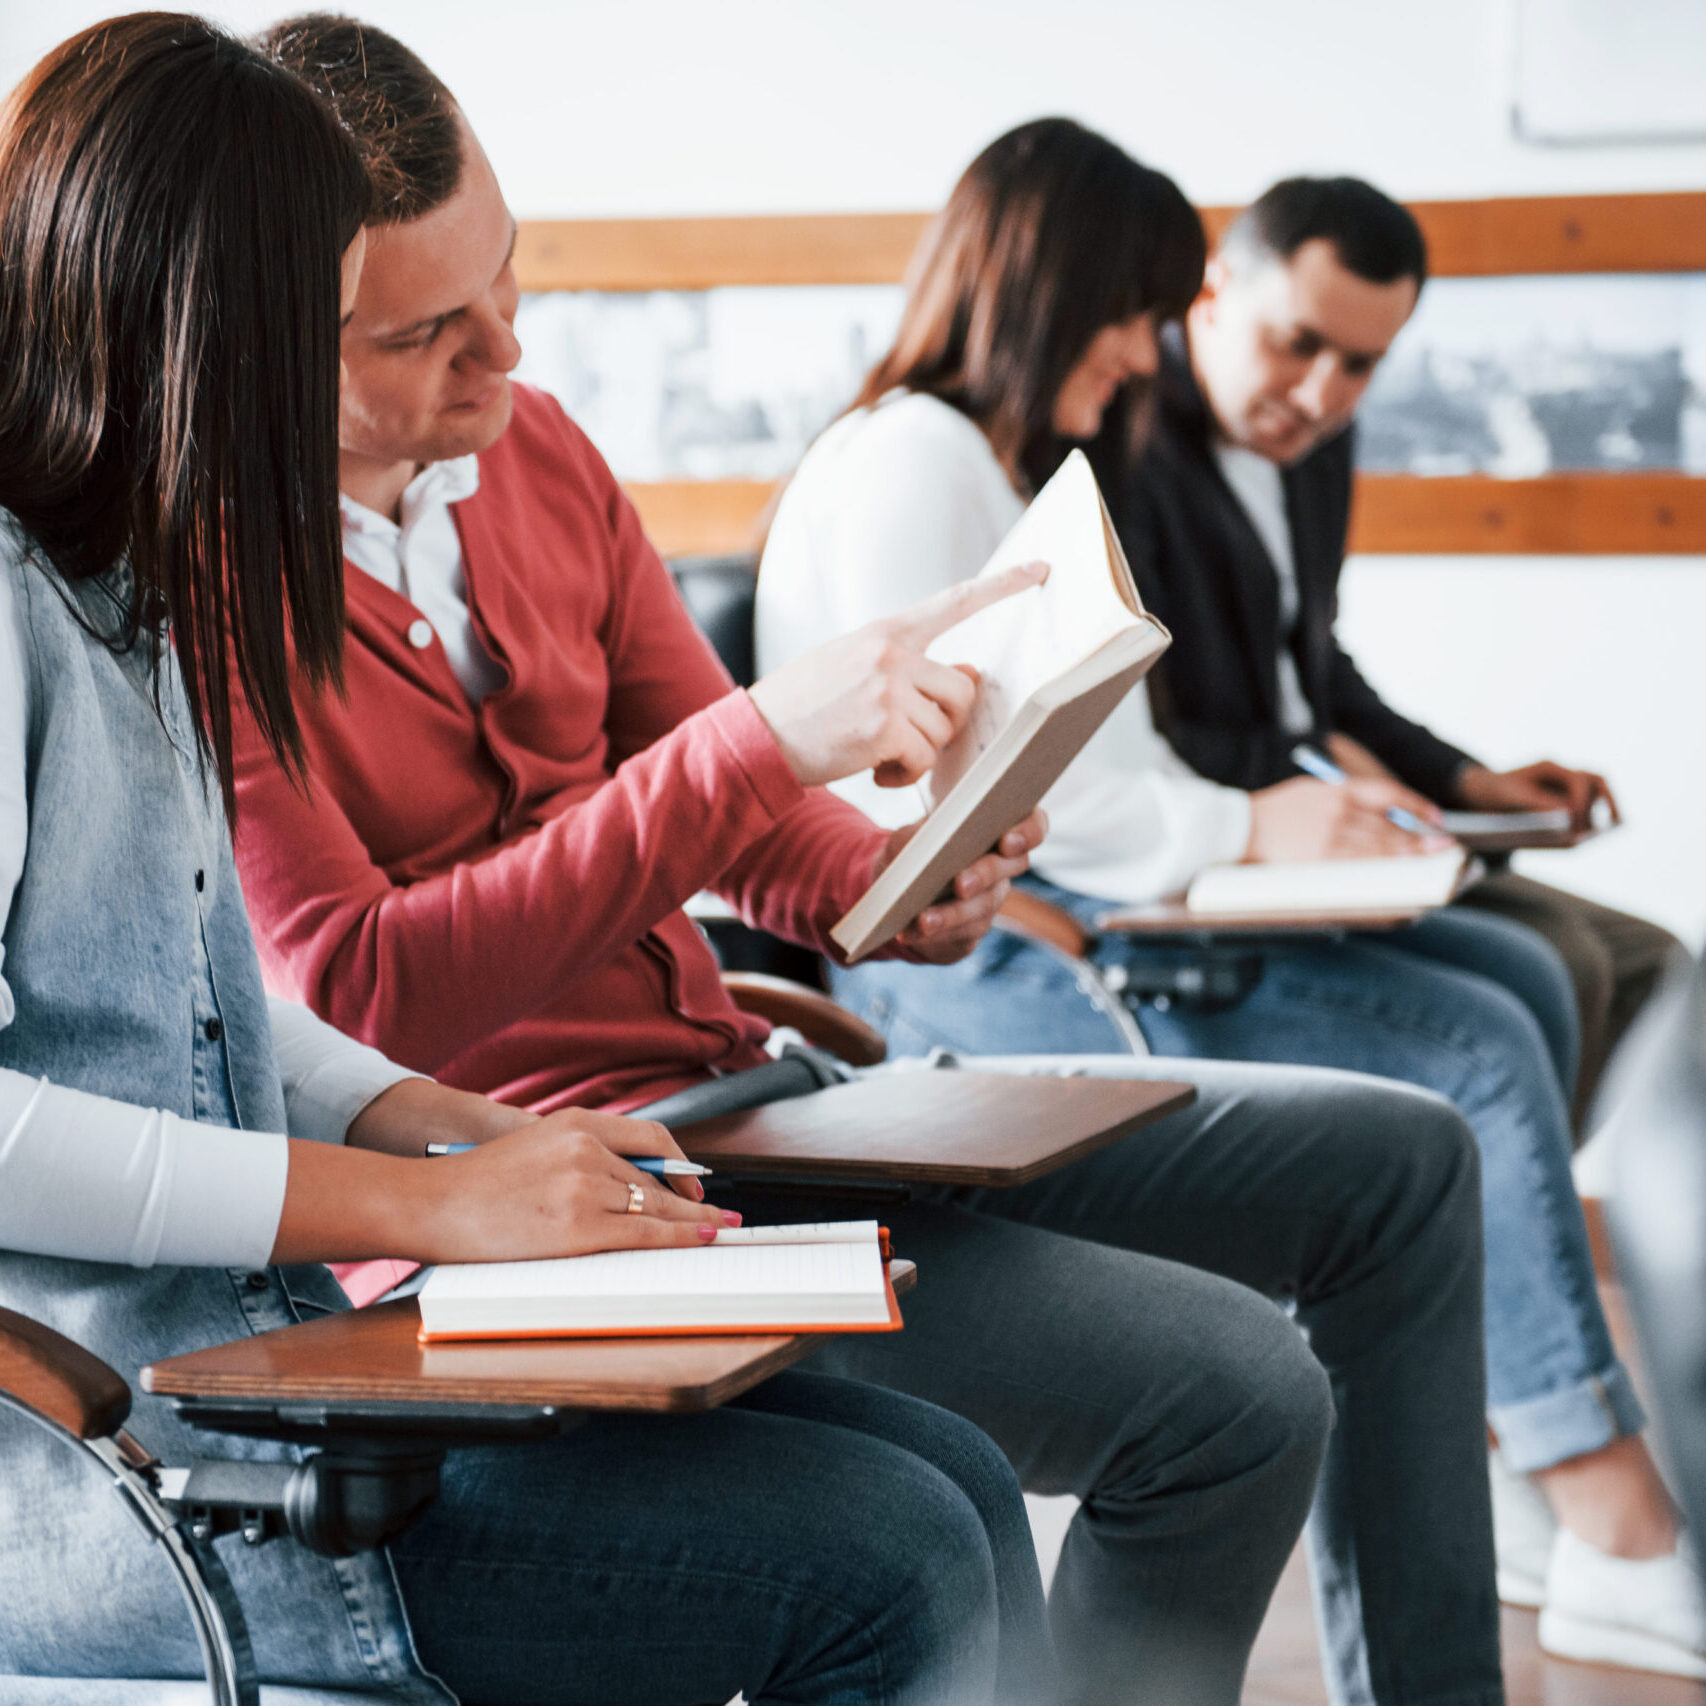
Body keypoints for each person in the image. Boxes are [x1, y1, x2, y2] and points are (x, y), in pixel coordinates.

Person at [233, 30, 1501, 1705]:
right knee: (1234, 1393)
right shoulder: (208, 563)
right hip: (542, 1186)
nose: (508, 353)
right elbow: (363, 985)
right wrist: (750, 753)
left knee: (1402, 1159)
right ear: (256, 338)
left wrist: (892, 880)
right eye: (426, 335)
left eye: (510, 279)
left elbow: (744, 811)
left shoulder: (535, 451)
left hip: (742, 1088)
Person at [0, 19, 1058, 1706]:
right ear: (194, 336)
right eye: (337, 340)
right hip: (115, 1450)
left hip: (253, 1365)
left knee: (961, 1489)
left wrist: (455, 1126)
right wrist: (426, 1204)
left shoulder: (113, 588)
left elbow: (204, 1009)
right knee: (897, 1555)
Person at [755, 120, 1704, 1679]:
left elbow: (1159, 737)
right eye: (1139, 309)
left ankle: (1521, 1442)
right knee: (1468, 1049)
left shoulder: (987, 459)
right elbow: (950, 815)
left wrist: (1326, 811)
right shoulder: (932, 461)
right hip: (1024, 951)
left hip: (1096, 892)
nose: (1149, 349)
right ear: (1061, 291)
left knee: (1524, 1001)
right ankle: (1587, 1500)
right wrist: (1248, 824)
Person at [1113, 174, 1686, 1136]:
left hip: (1330, 818)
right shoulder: (1119, 441)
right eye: (1297, 343)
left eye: (1360, 365)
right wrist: (1326, 774)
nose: (1321, 394)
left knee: (1657, 964)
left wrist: (1469, 779)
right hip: (1219, 842)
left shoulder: (1316, 446)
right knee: (1567, 966)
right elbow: (1147, 730)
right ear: (1212, 294)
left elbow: (1317, 673)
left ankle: (1486, 1227)